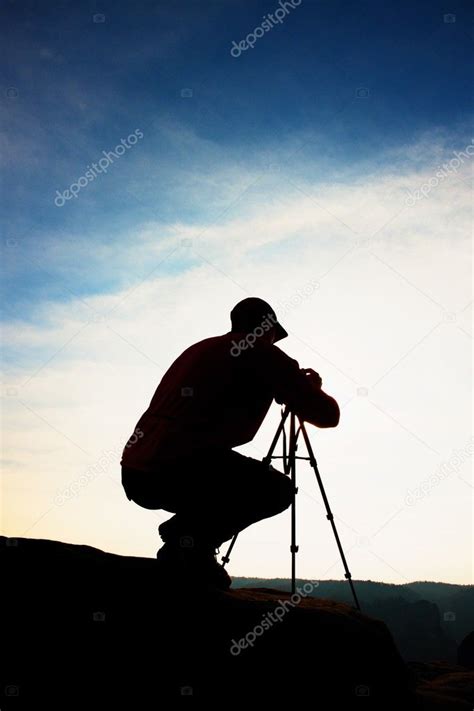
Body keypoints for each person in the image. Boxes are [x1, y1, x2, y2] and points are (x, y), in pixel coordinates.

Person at [121, 297, 340, 588]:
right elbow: (327, 416)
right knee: (275, 489)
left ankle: (185, 539)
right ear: (268, 329)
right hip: (180, 466)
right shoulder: (264, 354)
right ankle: (188, 544)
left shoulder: (200, 349)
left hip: (136, 472)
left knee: (225, 479)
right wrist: (310, 389)